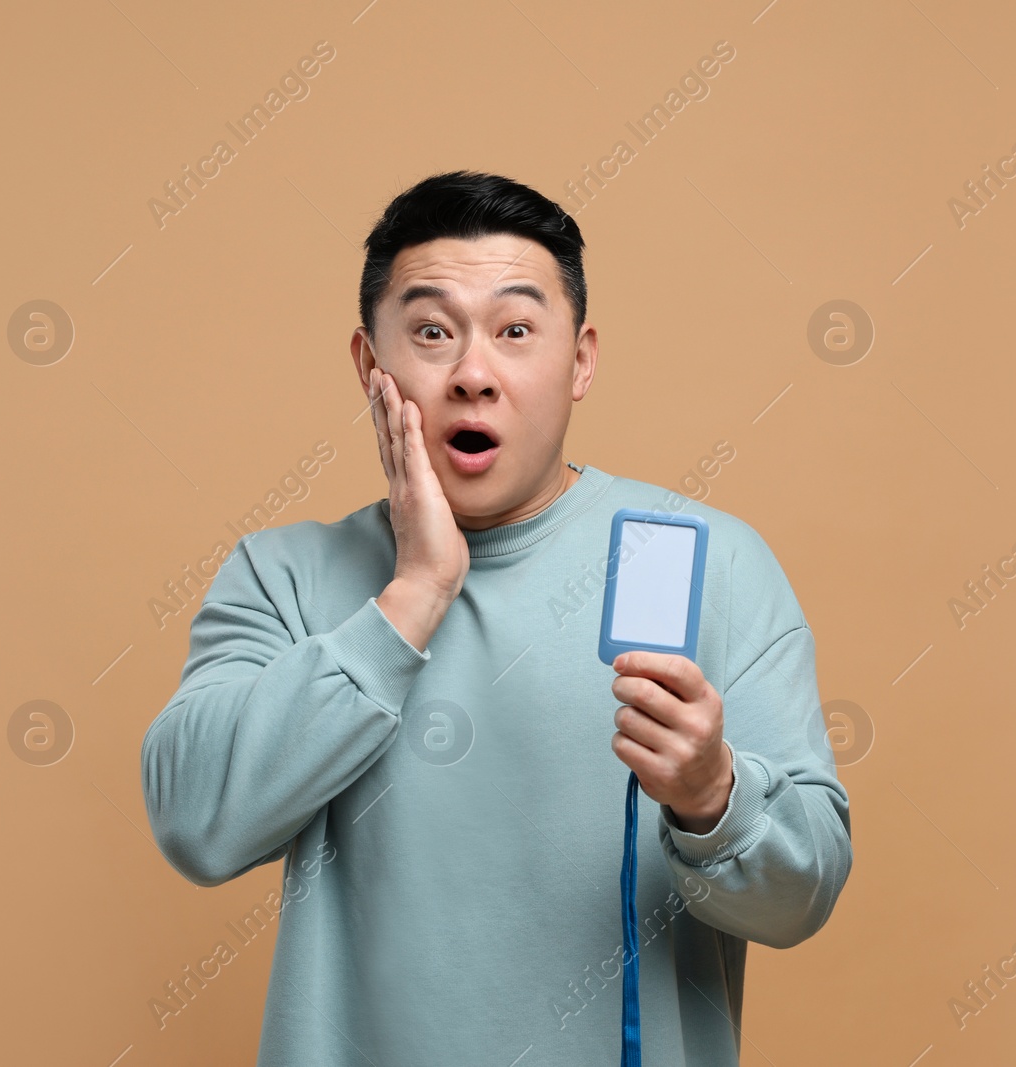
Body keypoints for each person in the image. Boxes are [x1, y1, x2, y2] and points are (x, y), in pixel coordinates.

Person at [140, 169, 853, 1066]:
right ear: (371, 365)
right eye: (432, 333)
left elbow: (803, 898)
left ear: (581, 360)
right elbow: (197, 824)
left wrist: (714, 797)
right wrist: (417, 590)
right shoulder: (284, 577)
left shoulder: (703, 561)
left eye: (516, 331)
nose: (473, 374)